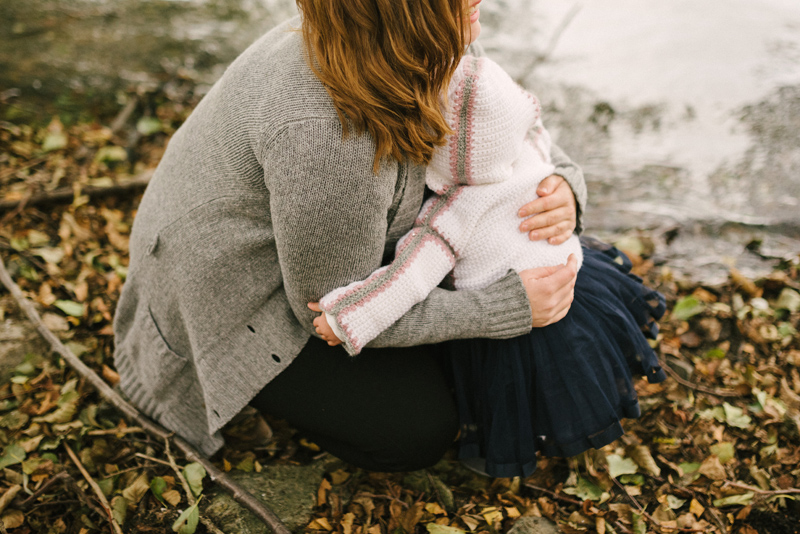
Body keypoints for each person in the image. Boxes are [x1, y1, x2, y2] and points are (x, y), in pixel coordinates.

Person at [112, 0, 587, 471]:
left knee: (536, 268)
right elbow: (331, 308)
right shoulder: (327, 135)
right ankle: (249, 397)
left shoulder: (413, 35)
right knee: (415, 430)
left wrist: (561, 182)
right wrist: (502, 309)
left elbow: (505, 118)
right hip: (239, 300)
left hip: (316, 242)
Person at [312, 55, 667, 478]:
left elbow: (408, 277)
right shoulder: (528, 152)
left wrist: (348, 315)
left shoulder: (454, 211)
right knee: (573, 364)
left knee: (505, 390)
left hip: (510, 320)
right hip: (568, 276)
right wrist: (561, 176)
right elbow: (539, 133)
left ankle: (506, 443)